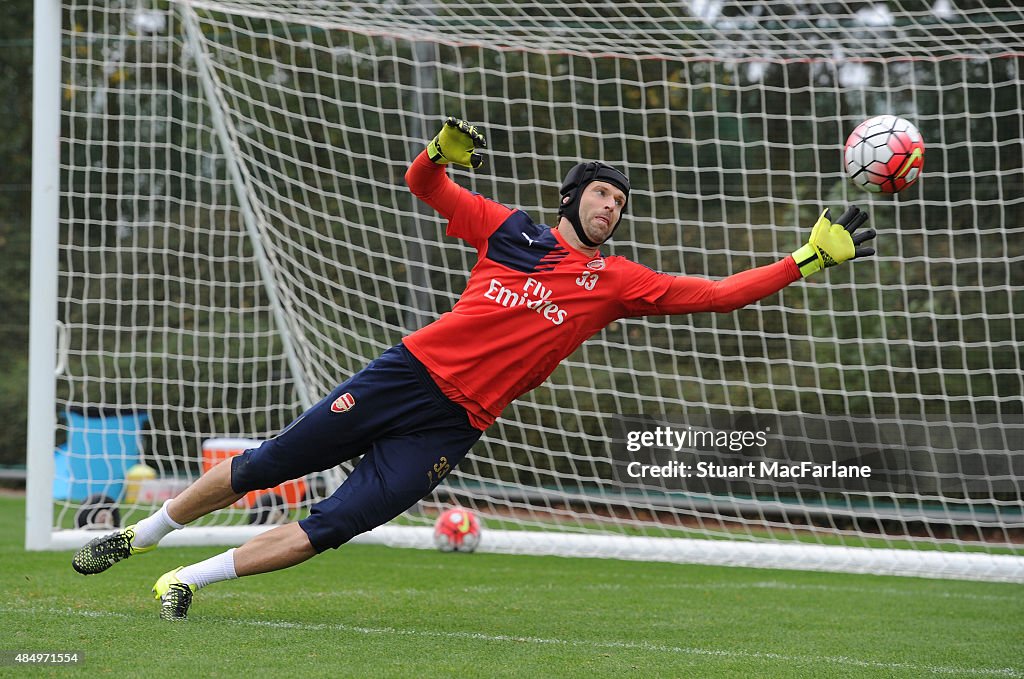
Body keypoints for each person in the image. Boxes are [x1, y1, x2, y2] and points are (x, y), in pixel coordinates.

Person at [71, 117, 876, 620]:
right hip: (406, 374)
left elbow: (719, 294)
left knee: (338, 525)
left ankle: (186, 578)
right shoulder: (510, 229)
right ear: (572, 198)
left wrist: (803, 259)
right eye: (601, 195)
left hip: (455, 424)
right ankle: (136, 537)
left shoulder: (618, 280)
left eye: (620, 203)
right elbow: (425, 183)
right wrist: (435, 153)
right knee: (267, 463)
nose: (611, 207)